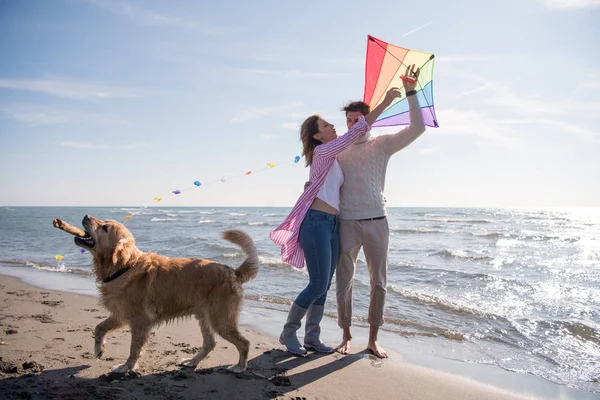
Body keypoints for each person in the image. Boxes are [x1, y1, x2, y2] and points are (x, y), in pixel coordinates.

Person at [270, 89, 400, 356]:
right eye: (327, 125)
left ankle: (312, 338)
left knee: (325, 284)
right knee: (317, 284)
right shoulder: (324, 152)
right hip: (316, 223)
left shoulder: (334, 158)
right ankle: (288, 331)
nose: (334, 127)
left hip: (332, 224)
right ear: (318, 136)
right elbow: (357, 132)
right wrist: (386, 101)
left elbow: (329, 184)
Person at [336, 64, 426, 358]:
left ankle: (373, 339)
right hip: (346, 222)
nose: (352, 125)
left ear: (368, 121)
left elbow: (418, 128)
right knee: (344, 281)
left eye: (357, 120)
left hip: (377, 221)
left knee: (379, 282)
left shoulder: (382, 145)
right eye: (348, 121)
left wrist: (410, 91)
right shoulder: (338, 148)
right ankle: (346, 335)